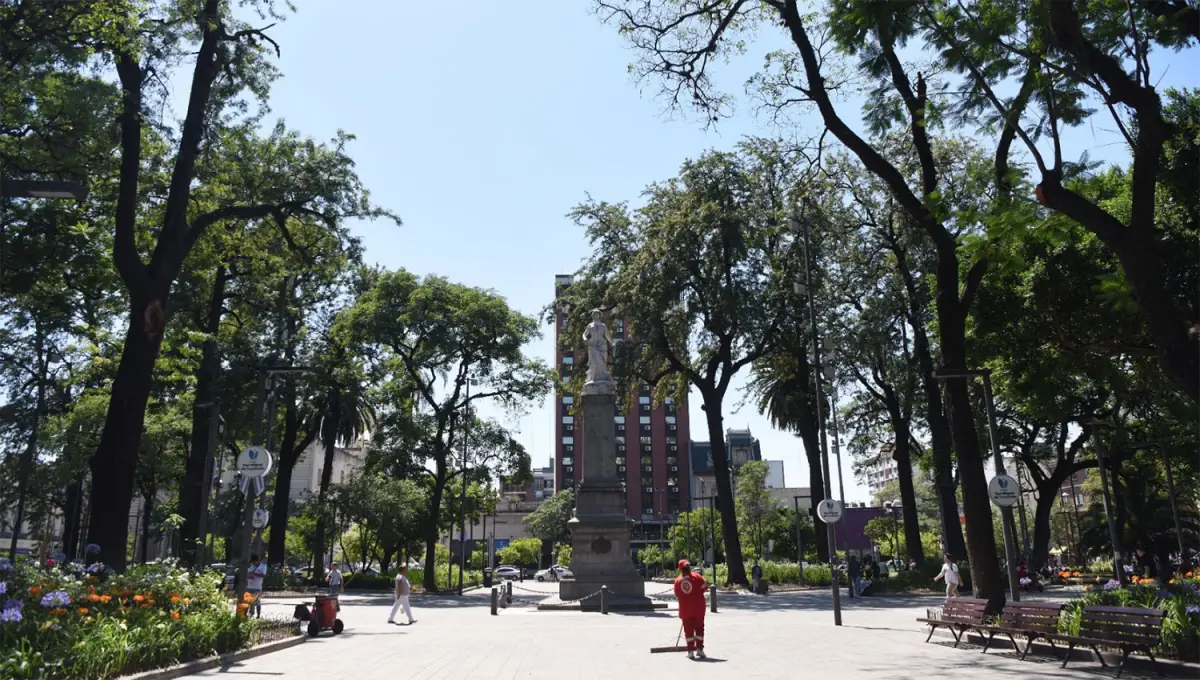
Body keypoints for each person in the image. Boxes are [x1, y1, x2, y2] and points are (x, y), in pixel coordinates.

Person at [673, 559, 709, 660]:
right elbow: (705, 588)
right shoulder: (697, 577)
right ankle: (700, 650)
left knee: (688, 631)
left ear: (680, 569)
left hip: (685, 609)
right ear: (689, 567)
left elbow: (676, 593)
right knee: (699, 629)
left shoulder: (677, 580)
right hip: (699, 608)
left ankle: (690, 652)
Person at [246, 554, 267, 618]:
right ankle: (250, 614)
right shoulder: (251, 566)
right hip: (249, 586)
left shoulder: (263, 566)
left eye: (254, 561)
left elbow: (263, 575)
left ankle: (258, 615)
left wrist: (254, 574)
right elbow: (247, 573)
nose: (253, 563)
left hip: (257, 587)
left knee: (257, 602)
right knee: (248, 601)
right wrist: (248, 576)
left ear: (257, 561)